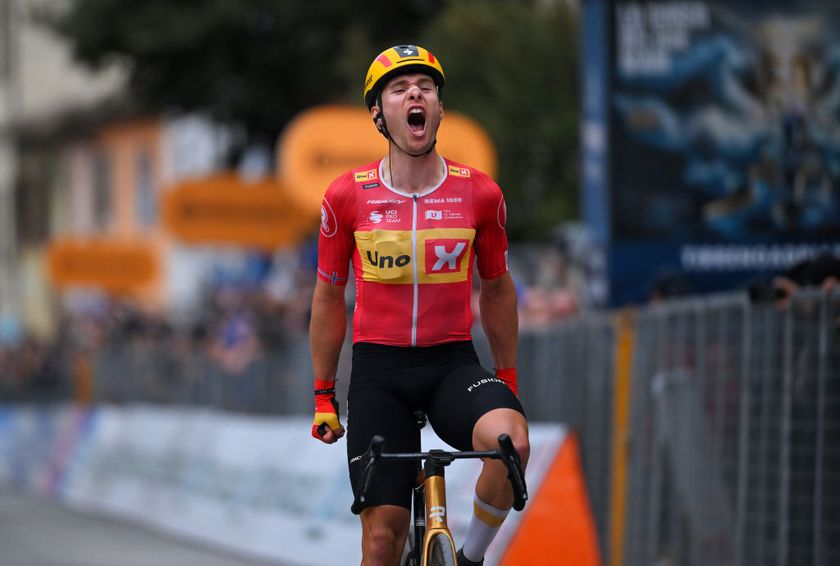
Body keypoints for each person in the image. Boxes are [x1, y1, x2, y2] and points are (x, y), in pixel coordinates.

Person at [309, 45, 529, 566]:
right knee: (382, 540)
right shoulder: (346, 196)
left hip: (450, 363)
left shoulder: (479, 193)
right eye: (399, 88)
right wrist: (323, 393)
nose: (415, 93)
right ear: (378, 114)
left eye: (426, 87)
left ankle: (471, 558)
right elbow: (327, 296)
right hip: (378, 372)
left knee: (511, 442)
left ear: (438, 108)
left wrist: (508, 381)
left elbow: (496, 289)